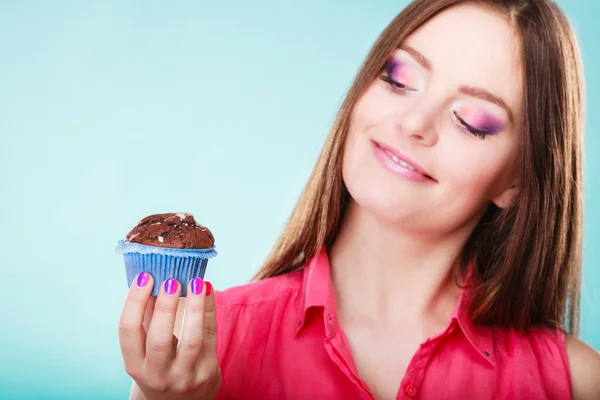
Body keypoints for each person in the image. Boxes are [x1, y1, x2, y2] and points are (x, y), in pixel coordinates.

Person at [119, 0, 600, 398]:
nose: (414, 122)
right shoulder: (200, 349)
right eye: (398, 78)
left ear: (516, 180)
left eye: (472, 120)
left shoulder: (577, 382)